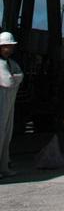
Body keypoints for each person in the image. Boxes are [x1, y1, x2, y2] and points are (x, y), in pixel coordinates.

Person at [0, 30, 23, 177]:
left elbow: (19, 76)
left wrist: (16, 77)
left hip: (9, 102)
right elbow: (8, 81)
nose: (11, 48)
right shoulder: (1, 64)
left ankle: (4, 166)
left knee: (7, 134)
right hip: (2, 101)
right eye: (8, 46)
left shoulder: (10, 63)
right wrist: (16, 77)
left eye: (11, 45)